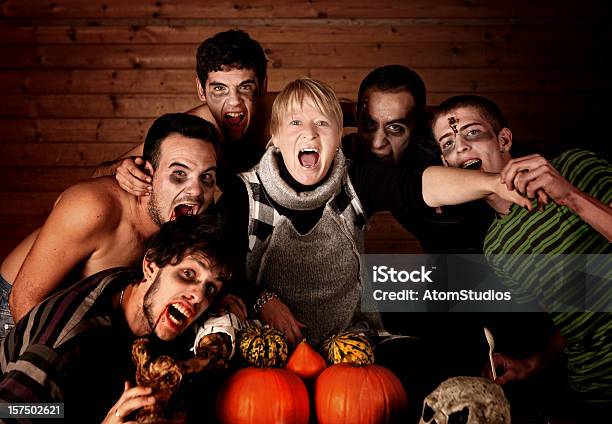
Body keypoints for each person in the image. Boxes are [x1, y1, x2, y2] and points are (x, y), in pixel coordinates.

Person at [220, 78, 531, 348]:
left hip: (351, 342)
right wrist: (261, 299)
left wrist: (496, 184)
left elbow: (418, 186)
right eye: (295, 123)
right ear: (274, 136)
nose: (310, 134)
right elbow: (220, 274)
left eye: (322, 123)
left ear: (338, 136)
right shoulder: (244, 193)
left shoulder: (357, 178)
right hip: (265, 346)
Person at [431, 94, 612, 417]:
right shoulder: (497, 246)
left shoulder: (574, 168)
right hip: (592, 390)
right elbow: (575, 315)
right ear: (447, 166)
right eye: (447, 143)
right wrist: (533, 363)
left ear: (504, 139)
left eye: (472, 133)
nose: (459, 148)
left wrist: (570, 195)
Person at [0, 113, 220, 342]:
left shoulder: (192, 216)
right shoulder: (94, 207)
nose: (195, 191)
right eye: (179, 174)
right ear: (148, 173)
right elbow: (23, 301)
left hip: (89, 320)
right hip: (17, 312)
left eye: (206, 178)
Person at [0, 215, 232, 423]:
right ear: (150, 266)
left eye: (210, 288)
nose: (199, 295)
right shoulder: (64, 343)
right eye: (188, 274)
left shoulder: (139, 288)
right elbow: (9, 412)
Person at [95, 29, 271, 195]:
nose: (234, 101)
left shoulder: (289, 113)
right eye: (219, 88)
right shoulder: (191, 130)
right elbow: (98, 175)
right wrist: (122, 169)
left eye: (245, 87)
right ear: (201, 90)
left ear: (263, 87)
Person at [345, 64, 494, 254]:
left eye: (395, 128)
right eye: (369, 124)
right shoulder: (354, 154)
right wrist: (351, 111)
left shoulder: (450, 143)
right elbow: (308, 115)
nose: (377, 143)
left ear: (420, 124)